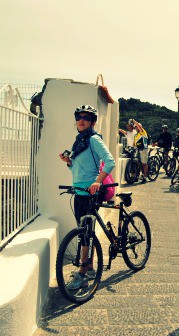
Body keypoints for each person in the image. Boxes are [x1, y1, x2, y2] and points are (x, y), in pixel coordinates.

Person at [59, 105, 116, 290]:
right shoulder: (79, 141)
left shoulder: (93, 140)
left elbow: (110, 161)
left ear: (92, 122)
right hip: (79, 192)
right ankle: (89, 266)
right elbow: (78, 168)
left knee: (86, 234)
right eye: (79, 117)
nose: (81, 120)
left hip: (92, 193)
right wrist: (69, 162)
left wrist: (97, 182)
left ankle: (83, 273)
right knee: (84, 233)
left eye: (86, 117)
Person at [132, 119, 149, 184]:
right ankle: (137, 175)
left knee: (144, 164)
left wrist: (134, 121)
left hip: (144, 149)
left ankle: (145, 177)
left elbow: (140, 127)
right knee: (137, 162)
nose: (136, 128)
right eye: (135, 127)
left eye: (136, 126)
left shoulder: (143, 132)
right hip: (138, 150)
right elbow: (134, 143)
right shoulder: (136, 135)